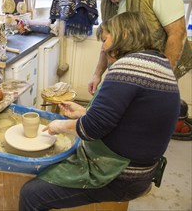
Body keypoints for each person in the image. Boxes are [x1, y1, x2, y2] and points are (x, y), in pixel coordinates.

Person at [18, 12, 180, 211]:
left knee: (31, 194)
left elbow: (90, 130)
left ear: (125, 35)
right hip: (141, 167)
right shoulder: (159, 63)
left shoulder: (128, 67)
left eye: (105, 39)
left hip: (120, 174)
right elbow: (130, 119)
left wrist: (58, 126)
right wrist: (85, 113)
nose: (103, 47)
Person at [88, 0, 191, 95]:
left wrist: (161, 79)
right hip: (126, 75)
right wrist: (97, 74)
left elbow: (178, 34)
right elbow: (107, 41)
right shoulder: (107, 2)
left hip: (156, 73)